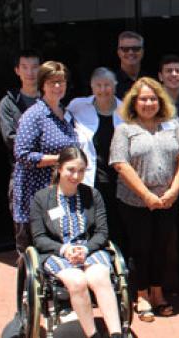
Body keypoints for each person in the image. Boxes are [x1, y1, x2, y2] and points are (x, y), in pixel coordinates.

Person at [109, 77, 179, 322]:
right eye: (143, 99)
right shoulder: (124, 129)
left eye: (153, 98)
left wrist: (175, 189)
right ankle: (141, 294)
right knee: (140, 248)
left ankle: (157, 292)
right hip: (135, 202)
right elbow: (120, 164)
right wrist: (146, 195)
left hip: (167, 199)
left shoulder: (172, 126)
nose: (148, 103)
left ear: (160, 101)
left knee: (161, 246)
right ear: (134, 102)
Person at [30, 146, 122, 338]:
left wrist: (85, 248)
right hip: (58, 252)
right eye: (71, 170)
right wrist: (65, 249)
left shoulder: (92, 195)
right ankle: (92, 334)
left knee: (100, 277)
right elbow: (39, 238)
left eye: (81, 171)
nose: (76, 176)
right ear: (59, 168)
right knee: (77, 281)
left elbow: (102, 232)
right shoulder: (41, 198)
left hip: (89, 249)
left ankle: (116, 334)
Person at [12, 61, 78, 253]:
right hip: (35, 193)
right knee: (35, 252)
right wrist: (60, 159)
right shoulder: (34, 115)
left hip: (60, 191)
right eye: (52, 82)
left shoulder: (66, 114)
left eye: (61, 81)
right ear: (42, 85)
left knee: (59, 248)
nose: (57, 86)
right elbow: (22, 154)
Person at [67, 68, 124, 249]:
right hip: (91, 177)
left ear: (115, 85)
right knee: (94, 222)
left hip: (120, 178)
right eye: (98, 85)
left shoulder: (125, 109)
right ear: (92, 86)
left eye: (107, 85)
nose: (103, 89)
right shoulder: (78, 106)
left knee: (118, 224)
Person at [0, 49, 41, 253]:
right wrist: (45, 147)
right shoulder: (8, 103)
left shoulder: (50, 98)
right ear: (17, 70)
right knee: (24, 231)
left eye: (34, 67)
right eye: (25, 67)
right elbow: (11, 139)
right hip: (22, 174)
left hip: (52, 174)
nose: (30, 72)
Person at [114, 31, 146, 98]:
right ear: (119, 53)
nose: (130, 52)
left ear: (142, 52)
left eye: (136, 49)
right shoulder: (111, 83)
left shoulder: (152, 81)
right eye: (125, 49)